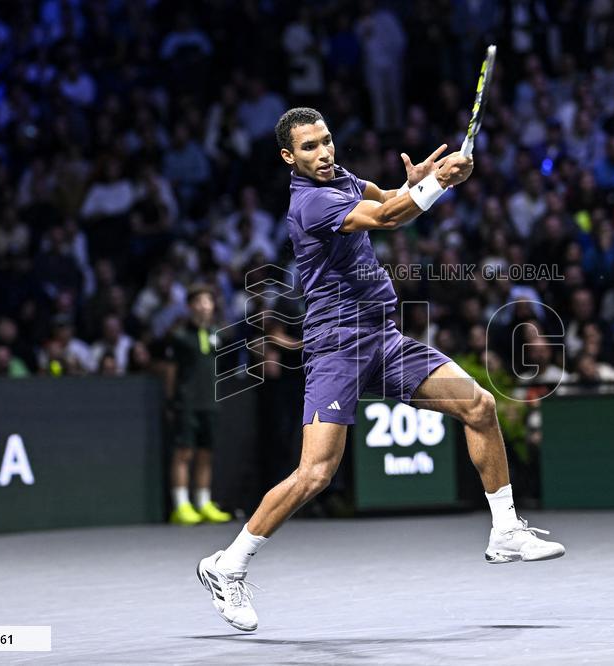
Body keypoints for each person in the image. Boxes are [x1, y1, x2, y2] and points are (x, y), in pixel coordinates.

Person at [196, 107, 564, 632]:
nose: (323, 153)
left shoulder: (341, 178)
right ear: (288, 157)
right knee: (316, 474)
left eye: (326, 141)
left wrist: (416, 183)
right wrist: (435, 185)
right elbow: (390, 218)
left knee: (479, 406)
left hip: (384, 340)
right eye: (308, 148)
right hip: (336, 348)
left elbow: (388, 199)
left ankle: (505, 530)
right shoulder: (312, 201)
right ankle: (226, 565)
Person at [165, 284, 234, 526]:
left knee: (207, 454)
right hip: (187, 403)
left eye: (209, 301)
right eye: (200, 301)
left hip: (210, 403)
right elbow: (171, 372)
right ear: (190, 306)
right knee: (184, 453)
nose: (205, 306)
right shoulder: (179, 336)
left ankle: (204, 502)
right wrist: (171, 402)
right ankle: (181, 504)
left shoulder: (218, 334)